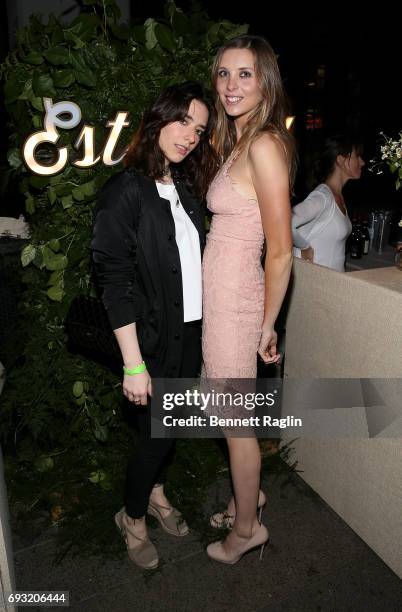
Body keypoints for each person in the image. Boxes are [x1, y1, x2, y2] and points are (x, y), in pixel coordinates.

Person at [91, 82, 218, 570]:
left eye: (200, 129)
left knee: (174, 427)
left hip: (188, 335)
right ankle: (134, 516)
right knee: (154, 438)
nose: (190, 136)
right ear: (159, 118)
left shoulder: (184, 190)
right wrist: (133, 364)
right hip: (148, 342)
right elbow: (114, 282)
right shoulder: (124, 191)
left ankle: (158, 494)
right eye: (183, 121)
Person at [202, 35, 296, 563]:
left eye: (244, 74)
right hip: (224, 299)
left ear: (265, 82)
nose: (231, 85)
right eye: (223, 73)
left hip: (238, 304)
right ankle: (249, 500)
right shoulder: (242, 139)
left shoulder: (262, 144)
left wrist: (265, 324)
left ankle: (245, 532)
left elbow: (280, 250)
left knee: (236, 425)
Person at [292, 135, 365, 271]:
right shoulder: (323, 197)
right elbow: (286, 221)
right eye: (357, 156)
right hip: (318, 285)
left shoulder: (337, 196)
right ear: (340, 160)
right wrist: (304, 246)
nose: (362, 162)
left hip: (333, 283)